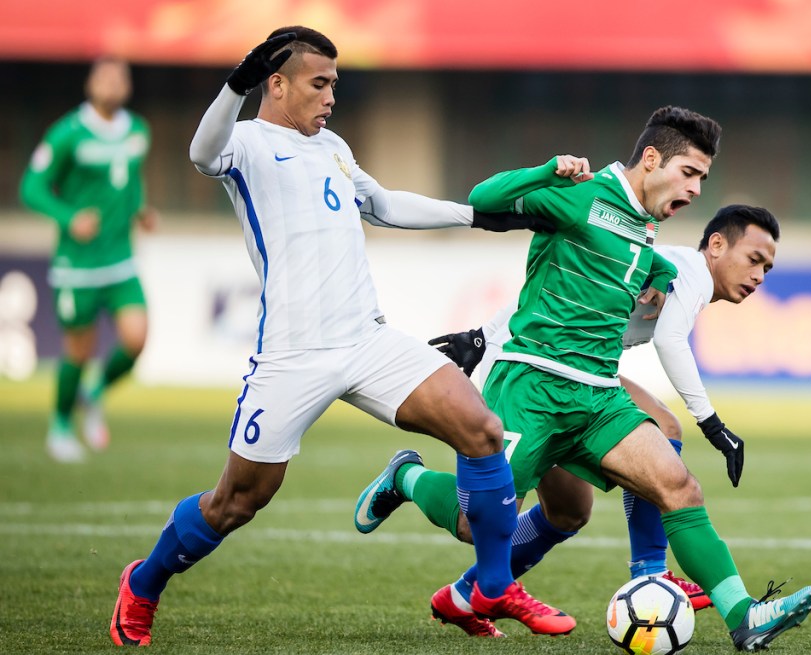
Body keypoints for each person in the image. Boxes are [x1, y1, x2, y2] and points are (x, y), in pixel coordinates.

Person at [108, 26, 571, 647]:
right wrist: (235, 84)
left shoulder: (332, 147)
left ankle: (492, 585)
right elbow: (200, 153)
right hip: (294, 354)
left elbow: (382, 204)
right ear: (276, 85)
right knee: (237, 501)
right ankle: (144, 581)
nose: (330, 97)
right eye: (319, 84)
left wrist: (481, 218)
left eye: (335, 84)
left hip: (366, 339)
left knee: (481, 429)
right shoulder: (245, 142)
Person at [355, 107, 811, 651]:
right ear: (652, 160)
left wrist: (661, 272)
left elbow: (633, 264)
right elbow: (484, 198)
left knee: (671, 488)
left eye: (702, 178)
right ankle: (407, 478)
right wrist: (545, 172)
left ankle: (745, 615)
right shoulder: (580, 194)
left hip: (598, 396)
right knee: (470, 522)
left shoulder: (646, 226)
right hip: (532, 388)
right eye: (690, 173)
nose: (696, 189)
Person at [404, 204, 778, 628]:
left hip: (579, 375)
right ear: (716, 245)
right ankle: (407, 477)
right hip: (526, 372)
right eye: (754, 259)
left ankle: (465, 595)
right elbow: (670, 340)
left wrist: (482, 333)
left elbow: (559, 292)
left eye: (767, 268)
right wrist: (711, 421)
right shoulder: (691, 273)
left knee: (569, 511)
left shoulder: (673, 269)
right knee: (472, 523)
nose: (759, 276)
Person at [20, 57, 158, 463]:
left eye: (120, 78)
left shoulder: (138, 131)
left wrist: (141, 210)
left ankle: (94, 392)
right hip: (77, 265)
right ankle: (61, 426)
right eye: (105, 77)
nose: (112, 84)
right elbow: (31, 187)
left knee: (136, 339)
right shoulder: (68, 133)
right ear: (90, 83)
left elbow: (130, 180)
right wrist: (69, 218)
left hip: (120, 260)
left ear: (128, 86)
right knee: (78, 351)